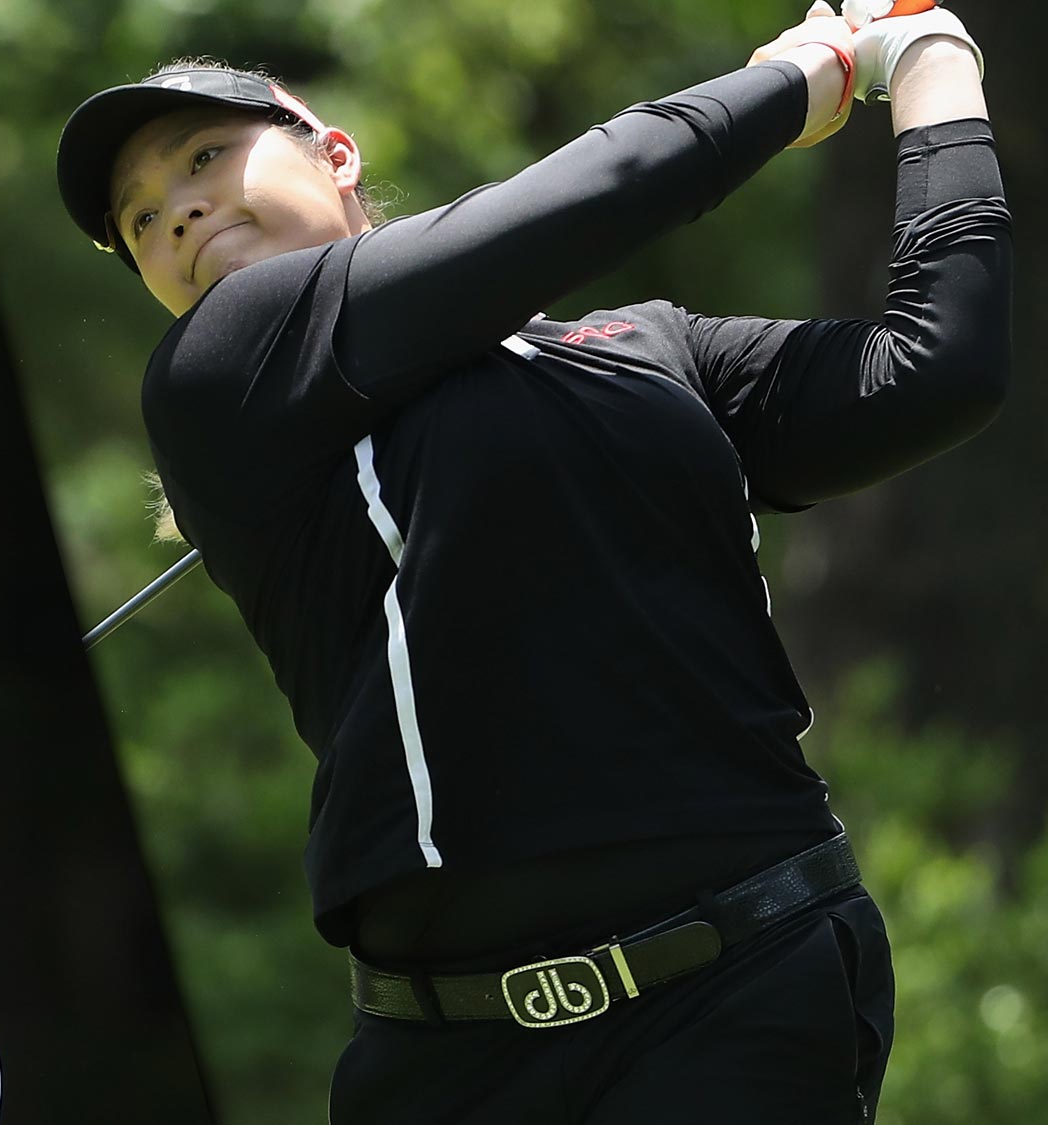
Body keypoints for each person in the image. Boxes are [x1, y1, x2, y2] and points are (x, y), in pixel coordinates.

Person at [55, 1, 1006, 1119]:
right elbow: (607, 186)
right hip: (453, 1060)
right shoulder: (217, 370)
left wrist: (934, 59)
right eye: (139, 220)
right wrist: (809, 74)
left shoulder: (650, 351)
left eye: (204, 156)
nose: (178, 211)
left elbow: (932, 368)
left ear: (334, 151)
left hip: (744, 990)